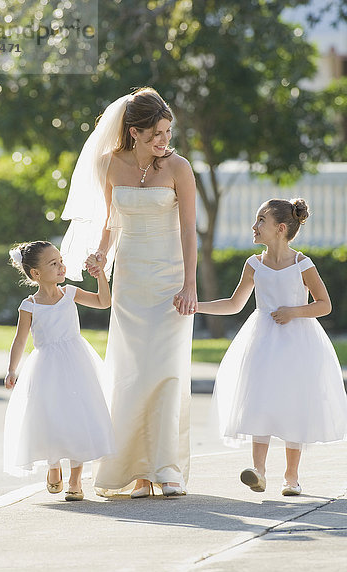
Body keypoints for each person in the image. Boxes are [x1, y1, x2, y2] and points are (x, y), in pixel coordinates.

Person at [60, 87, 197, 497]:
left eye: (168, 131)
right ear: (134, 132)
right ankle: (138, 472)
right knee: (132, 373)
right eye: (156, 133)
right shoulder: (110, 164)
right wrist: (101, 255)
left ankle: (166, 468)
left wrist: (190, 284)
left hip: (171, 279)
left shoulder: (179, 168)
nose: (164, 140)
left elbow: (189, 231)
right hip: (131, 280)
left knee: (167, 370)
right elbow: (110, 221)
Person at [197, 198, 347, 496]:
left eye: (260, 221)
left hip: (298, 342)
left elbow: (324, 305)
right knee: (259, 399)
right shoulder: (254, 264)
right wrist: (196, 306)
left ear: (280, 228)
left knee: (295, 402)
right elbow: (234, 303)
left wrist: (294, 312)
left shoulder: (302, 264)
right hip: (262, 341)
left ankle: (291, 476)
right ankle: (259, 470)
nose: (254, 226)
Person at [4, 240, 115, 501]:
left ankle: (76, 478)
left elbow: (104, 302)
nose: (61, 266)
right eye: (53, 264)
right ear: (36, 274)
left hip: (77, 363)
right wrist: (12, 369)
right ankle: (54, 465)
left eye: (61, 261)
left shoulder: (71, 294)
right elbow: (20, 340)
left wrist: (100, 277)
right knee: (51, 416)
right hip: (46, 368)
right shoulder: (29, 305)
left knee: (78, 416)